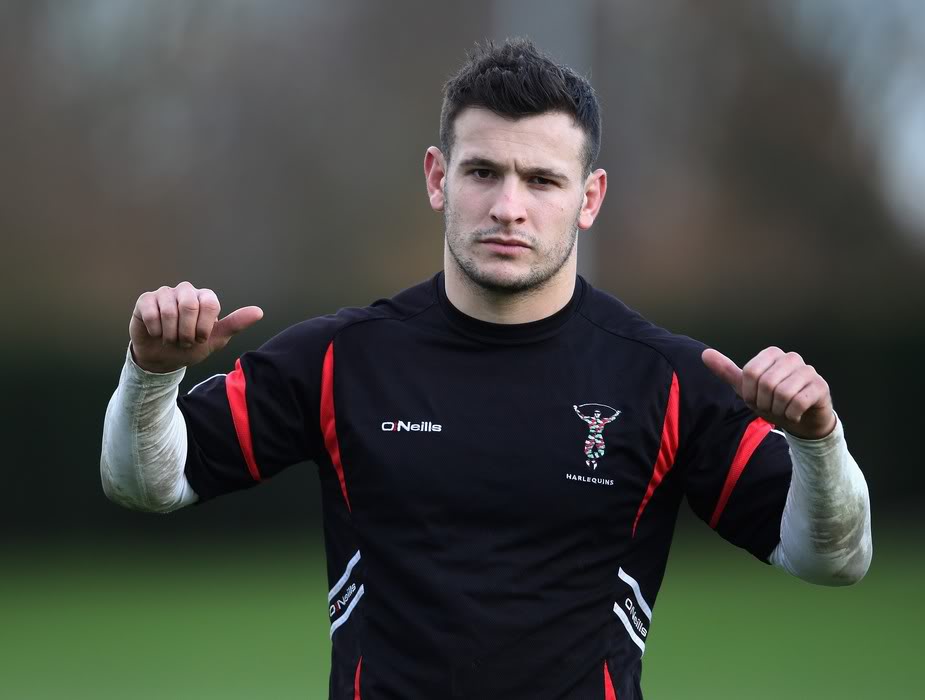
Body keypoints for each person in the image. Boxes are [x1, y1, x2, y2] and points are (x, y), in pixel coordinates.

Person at [101, 39, 872, 700]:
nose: (509, 206)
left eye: (541, 180)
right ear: (437, 177)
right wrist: (151, 373)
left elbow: (834, 559)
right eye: (482, 173)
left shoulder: (664, 380)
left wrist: (818, 441)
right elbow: (148, 482)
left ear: (589, 197)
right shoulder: (339, 360)